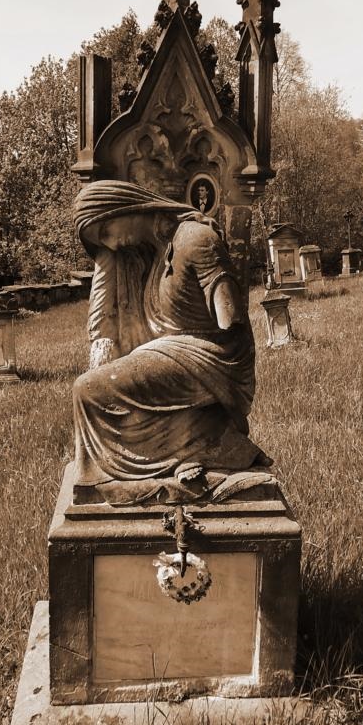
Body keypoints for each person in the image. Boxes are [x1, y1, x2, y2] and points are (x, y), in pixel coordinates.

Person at [70, 180, 267, 501]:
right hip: (178, 352)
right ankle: (190, 451)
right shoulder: (152, 254)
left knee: (87, 389)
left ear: (124, 209)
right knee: (100, 386)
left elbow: (230, 320)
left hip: (211, 358)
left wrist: (216, 281)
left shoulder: (195, 238)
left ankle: (116, 477)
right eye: (102, 241)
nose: (112, 244)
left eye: (106, 231)